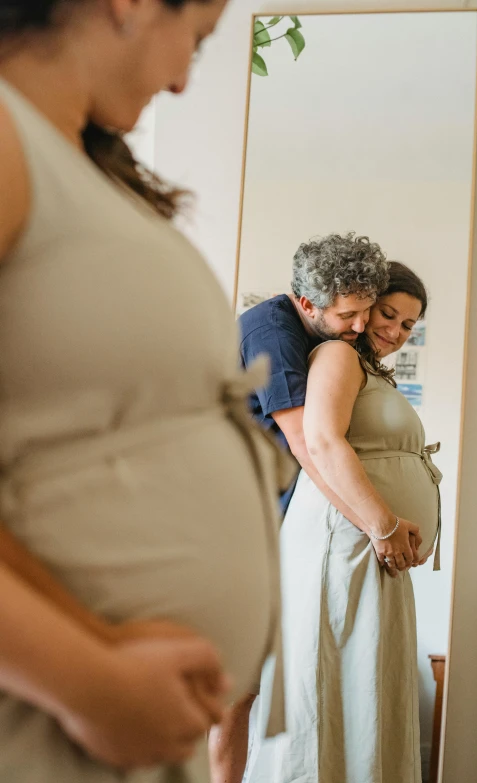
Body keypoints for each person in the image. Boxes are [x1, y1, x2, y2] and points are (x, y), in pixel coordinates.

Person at [0, 0, 293, 780]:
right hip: (46, 717)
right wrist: (88, 677)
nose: (186, 81)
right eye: (194, 40)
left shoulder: (79, 164)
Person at [208, 236, 423, 782]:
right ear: (308, 304)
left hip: (268, 520)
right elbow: (311, 444)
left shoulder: (331, 340)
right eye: (350, 315)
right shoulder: (274, 333)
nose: (361, 326)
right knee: (238, 690)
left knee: (262, 682)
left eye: (366, 311)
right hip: (240, 525)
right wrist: (378, 524)